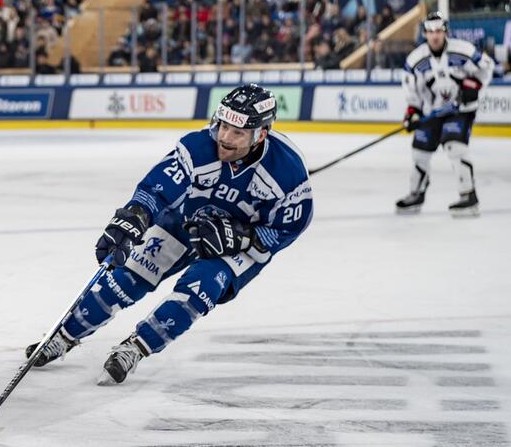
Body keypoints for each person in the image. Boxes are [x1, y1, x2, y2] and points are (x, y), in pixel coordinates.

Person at [26, 84, 313, 384]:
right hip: (185, 221)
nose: (225, 138)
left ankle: (135, 349)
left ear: (260, 135)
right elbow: (157, 189)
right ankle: (64, 335)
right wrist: (132, 219)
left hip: (237, 244)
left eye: (237, 133)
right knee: (128, 276)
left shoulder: (288, 172)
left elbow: (291, 226)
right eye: (223, 126)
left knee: (198, 290)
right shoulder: (198, 147)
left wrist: (243, 237)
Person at [396, 12, 494, 217]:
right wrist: (412, 112)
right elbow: (412, 91)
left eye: (439, 31)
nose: (435, 36)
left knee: (454, 146)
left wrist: (474, 86)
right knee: (420, 151)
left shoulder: (463, 50)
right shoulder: (415, 60)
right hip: (432, 113)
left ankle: (468, 195)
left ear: (445, 32)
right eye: (431, 32)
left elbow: (487, 66)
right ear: (425, 34)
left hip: (460, 110)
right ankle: (416, 193)